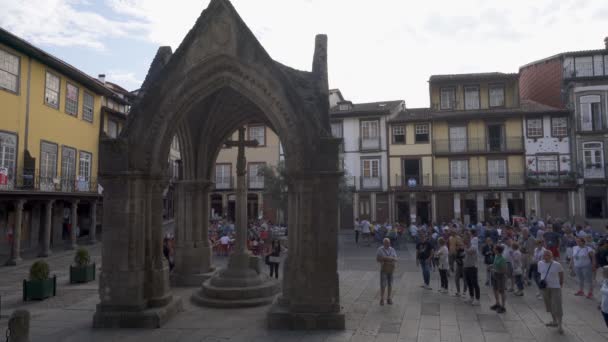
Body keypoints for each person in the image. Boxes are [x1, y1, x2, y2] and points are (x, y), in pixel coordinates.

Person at [538, 250, 565, 334]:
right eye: (544, 255)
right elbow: (541, 273)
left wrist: (560, 283)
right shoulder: (540, 263)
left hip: (555, 287)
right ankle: (554, 321)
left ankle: (560, 325)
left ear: (551, 256)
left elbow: (561, 274)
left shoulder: (557, 265)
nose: (546, 257)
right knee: (549, 305)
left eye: (548, 255)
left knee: (557, 305)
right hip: (545, 287)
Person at [377, 238, 397, 305]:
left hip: (391, 269)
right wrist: (385, 258)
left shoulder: (392, 249)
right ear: (383, 243)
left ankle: (389, 298)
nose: (387, 244)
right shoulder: (380, 249)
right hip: (384, 269)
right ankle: (382, 298)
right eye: (386, 243)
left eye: (388, 243)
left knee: (390, 284)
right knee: (383, 284)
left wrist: (392, 259)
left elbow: (396, 258)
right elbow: (377, 259)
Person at [463, 237, 481, 305]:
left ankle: (477, 299)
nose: (464, 243)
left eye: (465, 242)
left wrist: (464, 248)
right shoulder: (466, 247)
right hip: (466, 267)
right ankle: (471, 297)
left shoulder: (473, 247)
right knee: (469, 283)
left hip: (473, 268)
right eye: (464, 242)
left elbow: (469, 252)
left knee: (475, 283)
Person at [491, 244, 507, 313]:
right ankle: (497, 303)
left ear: (497, 250)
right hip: (495, 276)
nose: (493, 249)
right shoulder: (496, 256)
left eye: (494, 248)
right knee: (495, 289)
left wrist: (495, 270)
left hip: (501, 277)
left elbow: (504, 270)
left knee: (502, 291)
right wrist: (491, 266)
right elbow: (495, 264)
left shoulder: (502, 258)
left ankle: (503, 307)